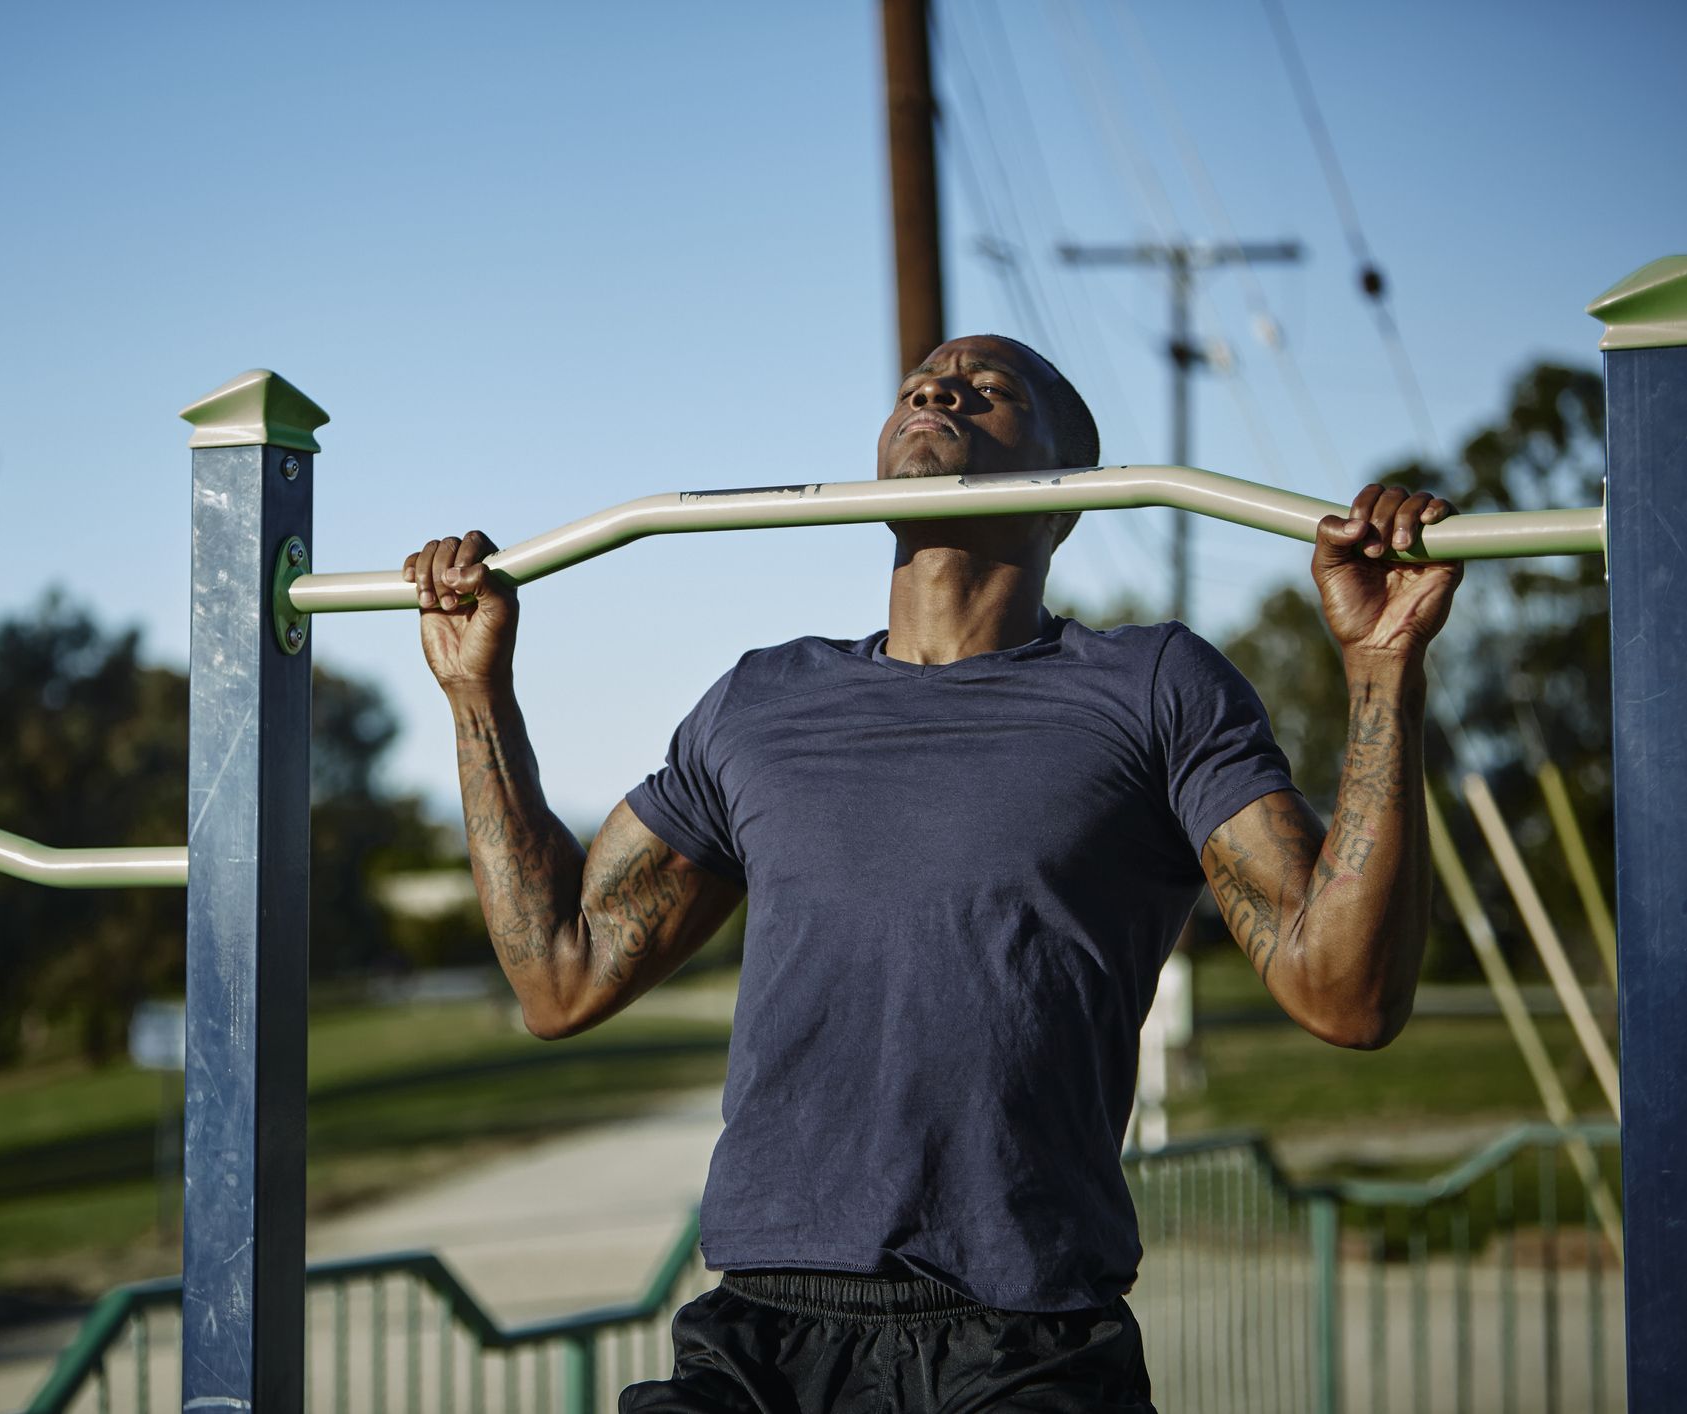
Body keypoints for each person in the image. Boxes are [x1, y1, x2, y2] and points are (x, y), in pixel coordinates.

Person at [402, 335, 1461, 1412]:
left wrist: (1381, 674)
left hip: (1027, 1339)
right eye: (920, 385)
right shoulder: (759, 702)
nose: (939, 389)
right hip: (764, 1335)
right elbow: (559, 975)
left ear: (1071, 491)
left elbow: (1347, 994)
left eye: (989, 391)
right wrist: (476, 695)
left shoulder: (1151, 686)